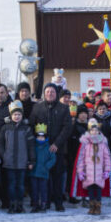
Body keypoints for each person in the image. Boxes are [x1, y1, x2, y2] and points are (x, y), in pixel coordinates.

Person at [28, 83, 72, 212]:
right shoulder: (37, 107)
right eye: (47, 91)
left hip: (57, 148)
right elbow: (32, 125)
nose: (50, 94)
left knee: (57, 176)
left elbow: (67, 127)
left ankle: (58, 202)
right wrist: (38, 143)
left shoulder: (64, 108)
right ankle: (45, 202)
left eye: (52, 92)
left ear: (56, 93)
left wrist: (57, 143)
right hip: (41, 149)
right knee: (43, 177)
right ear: (44, 93)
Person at [73, 118, 111, 215]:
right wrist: (80, 171)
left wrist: (107, 170)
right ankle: (91, 207)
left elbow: (107, 158)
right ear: (89, 131)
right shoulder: (86, 144)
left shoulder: (103, 144)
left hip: (100, 173)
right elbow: (81, 158)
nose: (94, 132)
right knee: (91, 191)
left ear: (99, 132)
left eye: (96, 130)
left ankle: (98, 207)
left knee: (98, 190)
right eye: (92, 130)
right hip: (89, 173)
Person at [0, 101, 33, 214]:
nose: (17, 116)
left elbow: (31, 146)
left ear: (22, 115)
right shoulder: (5, 128)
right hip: (10, 162)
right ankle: (12, 204)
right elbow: (0, 143)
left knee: (21, 185)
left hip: (22, 162)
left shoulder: (26, 129)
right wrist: (4, 155)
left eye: (19, 114)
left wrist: (31, 160)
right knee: (11, 184)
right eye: (14, 114)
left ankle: (19, 204)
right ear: (11, 115)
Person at [29, 124, 56, 212]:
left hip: (44, 173)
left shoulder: (48, 148)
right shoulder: (33, 147)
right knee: (34, 190)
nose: (40, 139)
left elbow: (53, 158)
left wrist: (47, 166)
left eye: (42, 137)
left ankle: (44, 204)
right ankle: (35, 204)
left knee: (43, 190)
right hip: (34, 172)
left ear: (45, 138)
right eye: (39, 137)